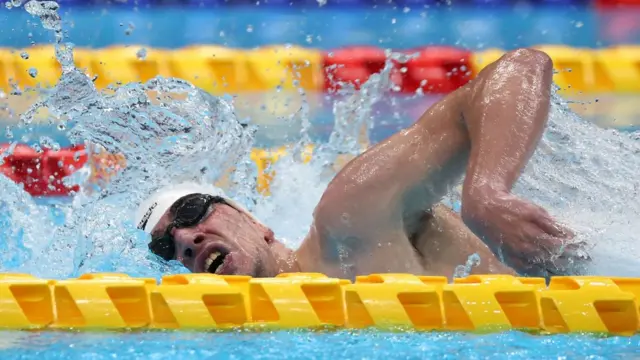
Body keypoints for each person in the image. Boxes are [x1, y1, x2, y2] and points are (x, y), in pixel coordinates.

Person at [134, 48, 590, 280]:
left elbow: (522, 66)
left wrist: (488, 193)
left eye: (192, 211)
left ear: (252, 218)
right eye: (165, 247)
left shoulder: (349, 216)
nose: (185, 239)